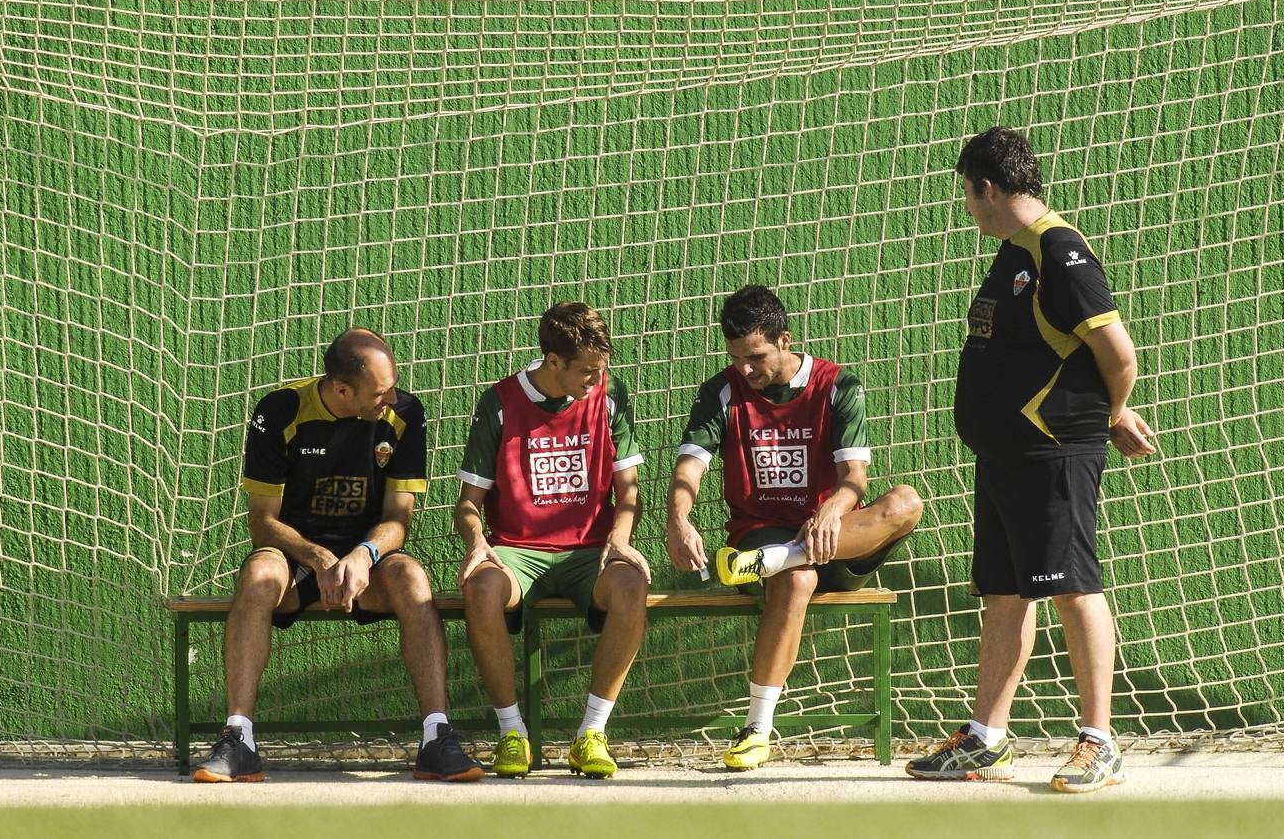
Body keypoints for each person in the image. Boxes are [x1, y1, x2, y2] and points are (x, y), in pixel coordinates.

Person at [905, 127, 1156, 793]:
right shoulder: (1014, 252)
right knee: (1006, 593)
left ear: (986, 188)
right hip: (1006, 455)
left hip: (1052, 450)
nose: (966, 206)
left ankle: (1099, 742)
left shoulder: (1058, 251)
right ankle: (985, 740)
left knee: (1074, 588)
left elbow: (1118, 353)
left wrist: (1110, 414)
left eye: (966, 192)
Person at [193, 329, 482, 783]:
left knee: (413, 578)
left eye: (393, 387)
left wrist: (363, 555)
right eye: (380, 393)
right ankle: (239, 739)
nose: (391, 399)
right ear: (343, 390)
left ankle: (436, 737)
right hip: (294, 559)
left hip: (367, 565)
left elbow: (398, 521)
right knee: (258, 574)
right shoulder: (280, 411)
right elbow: (262, 523)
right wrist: (318, 557)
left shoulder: (405, 414)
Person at [665, 285, 923, 771]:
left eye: (755, 357)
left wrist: (832, 509)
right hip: (760, 531)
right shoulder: (722, 391)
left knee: (908, 502)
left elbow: (854, 478)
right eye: (736, 357)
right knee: (797, 578)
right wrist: (678, 518)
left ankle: (777, 560)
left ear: (785, 340)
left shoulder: (838, 385)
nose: (745, 369)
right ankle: (757, 729)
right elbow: (689, 467)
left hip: (835, 538)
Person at [455, 302, 648, 779]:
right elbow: (467, 503)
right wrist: (476, 541)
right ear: (554, 361)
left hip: (591, 552)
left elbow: (629, 491)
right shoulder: (500, 402)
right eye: (586, 371)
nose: (595, 379)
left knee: (632, 585)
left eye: (601, 368)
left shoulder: (609, 393)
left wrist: (620, 536)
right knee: (480, 588)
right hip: (518, 552)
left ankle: (591, 734)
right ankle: (511, 733)